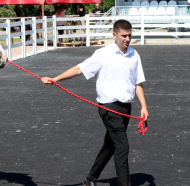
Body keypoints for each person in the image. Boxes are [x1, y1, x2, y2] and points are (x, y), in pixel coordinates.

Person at [41, 20, 149, 186]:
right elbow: (80, 69)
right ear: (114, 35)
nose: (127, 39)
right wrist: (55, 79)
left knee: (111, 145)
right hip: (109, 107)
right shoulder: (103, 53)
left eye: (129, 35)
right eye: (124, 36)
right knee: (122, 147)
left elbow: (138, 83)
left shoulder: (134, 55)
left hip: (126, 108)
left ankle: (90, 179)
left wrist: (143, 106)